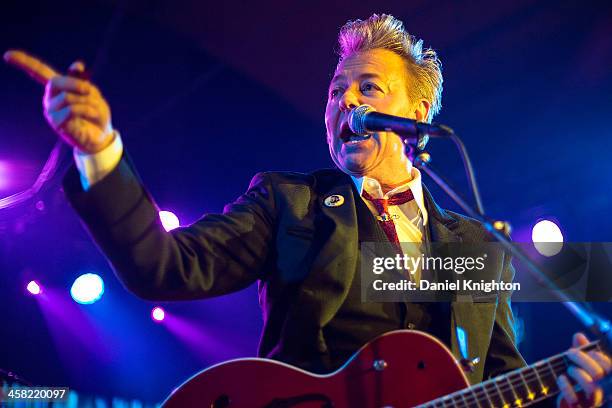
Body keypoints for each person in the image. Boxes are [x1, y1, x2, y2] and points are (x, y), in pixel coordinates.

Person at [5, 13, 609, 407]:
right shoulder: (290, 202)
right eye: (334, 91)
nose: (344, 100)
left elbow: (501, 378)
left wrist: (570, 400)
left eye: (367, 87)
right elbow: (163, 266)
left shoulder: (475, 248)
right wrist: (101, 153)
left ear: (418, 117)